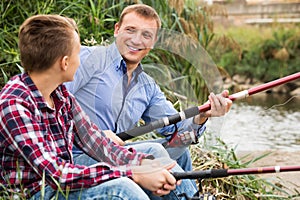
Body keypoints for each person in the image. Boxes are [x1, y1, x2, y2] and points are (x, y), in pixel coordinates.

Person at [0, 14, 197, 200]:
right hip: (39, 192)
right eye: (78, 53)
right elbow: (57, 173)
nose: (82, 59)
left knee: (152, 161)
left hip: (62, 183)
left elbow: (97, 143)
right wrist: (132, 173)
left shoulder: (61, 95)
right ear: (65, 63)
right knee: (122, 190)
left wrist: (143, 163)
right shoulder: (15, 104)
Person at [65, 4, 232, 175]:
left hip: (116, 157)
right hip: (77, 157)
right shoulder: (87, 59)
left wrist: (201, 116)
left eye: (146, 35)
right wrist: (93, 135)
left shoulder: (147, 87)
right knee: (154, 152)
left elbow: (178, 132)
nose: (137, 40)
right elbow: (51, 105)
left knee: (181, 152)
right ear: (117, 30)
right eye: (130, 30)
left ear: (153, 42)